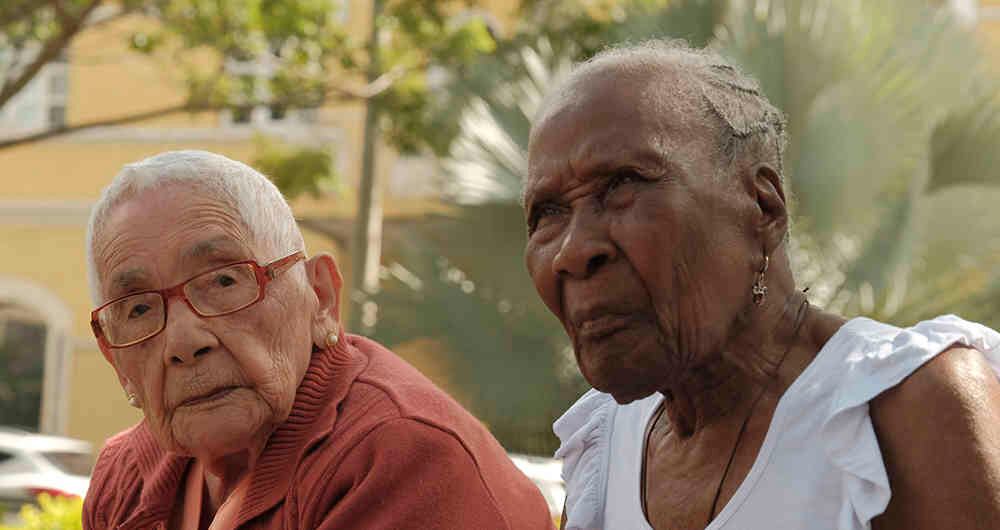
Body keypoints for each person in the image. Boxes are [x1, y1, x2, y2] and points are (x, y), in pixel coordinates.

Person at [523, 40, 1000, 530]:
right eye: (547, 213)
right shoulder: (603, 447)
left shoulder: (904, 410)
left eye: (622, 185)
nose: (573, 252)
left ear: (762, 207)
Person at [82, 150, 553, 530]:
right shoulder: (127, 475)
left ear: (321, 297)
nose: (183, 341)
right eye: (139, 309)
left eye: (225, 282)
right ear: (114, 359)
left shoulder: (402, 458)